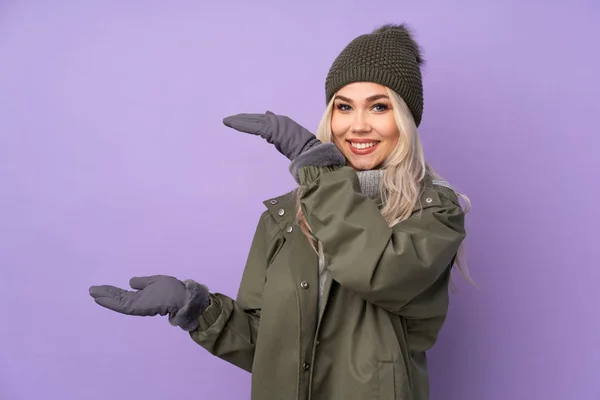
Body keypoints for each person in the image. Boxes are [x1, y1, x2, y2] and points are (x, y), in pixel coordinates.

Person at [89, 23, 472, 399]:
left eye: (379, 106)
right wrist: (196, 308)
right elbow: (269, 345)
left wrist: (317, 168)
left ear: (404, 119)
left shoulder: (434, 210)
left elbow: (381, 272)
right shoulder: (286, 217)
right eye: (344, 106)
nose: (358, 126)